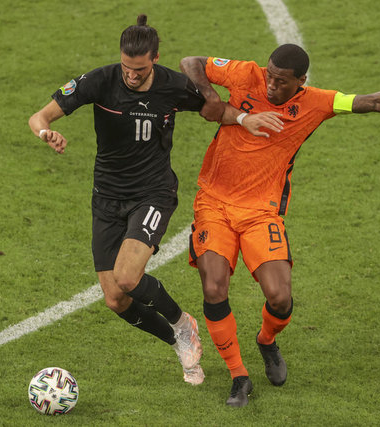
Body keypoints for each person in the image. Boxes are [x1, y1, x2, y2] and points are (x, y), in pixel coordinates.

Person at [180, 44, 380, 406]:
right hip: (213, 203)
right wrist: (212, 99)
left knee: (280, 298)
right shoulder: (245, 73)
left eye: (281, 82)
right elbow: (191, 62)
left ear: (301, 81)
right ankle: (239, 377)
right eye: (269, 76)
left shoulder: (316, 102)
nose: (271, 86)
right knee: (214, 287)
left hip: (261, 212)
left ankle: (266, 341)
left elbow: (373, 101)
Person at [28, 15, 253, 386]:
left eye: (140, 69)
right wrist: (45, 134)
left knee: (127, 277)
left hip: (152, 193)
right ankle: (179, 340)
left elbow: (215, 111)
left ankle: (182, 322)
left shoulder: (172, 86)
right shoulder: (100, 80)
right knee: (115, 299)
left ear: (155, 59)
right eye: (126, 68)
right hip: (106, 197)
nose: (131, 76)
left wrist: (245, 120)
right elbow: (39, 116)